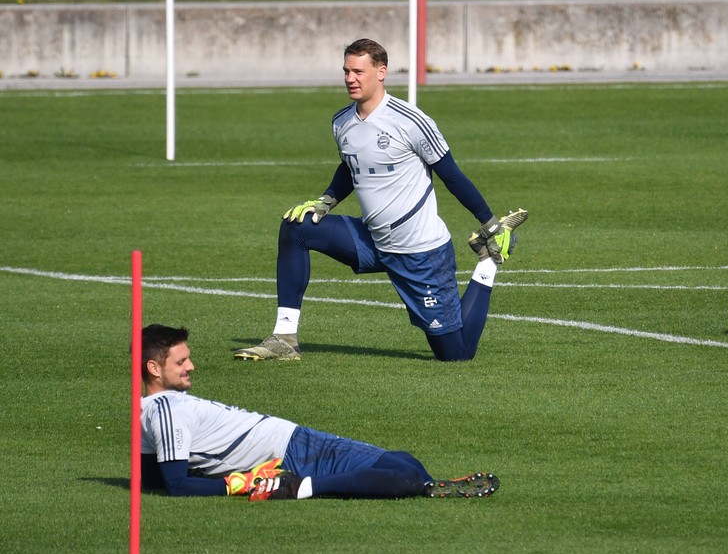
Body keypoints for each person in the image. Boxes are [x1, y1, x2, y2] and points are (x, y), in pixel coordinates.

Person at [233, 38, 528, 363]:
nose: (350, 78)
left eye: (358, 71)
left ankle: (488, 261)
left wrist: (489, 224)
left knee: (456, 354)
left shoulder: (412, 121)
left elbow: (452, 176)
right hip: (372, 240)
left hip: (421, 253)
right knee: (297, 227)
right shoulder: (341, 122)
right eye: (346, 71)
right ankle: (284, 338)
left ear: (381, 71)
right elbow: (350, 165)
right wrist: (325, 201)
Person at [140, 324, 500, 500]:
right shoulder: (166, 409)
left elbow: (151, 479)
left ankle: (429, 485)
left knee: (406, 462)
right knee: (403, 476)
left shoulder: (150, 410)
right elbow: (175, 484)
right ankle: (299, 489)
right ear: (154, 368)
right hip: (293, 452)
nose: (191, 366)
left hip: (293, 443)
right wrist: (241, 484)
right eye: (181, 361)